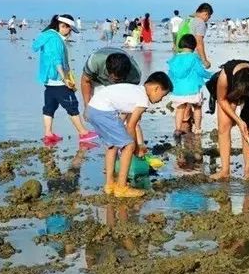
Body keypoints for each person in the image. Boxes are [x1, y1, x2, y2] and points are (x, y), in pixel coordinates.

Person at [86, 71, 171, 198]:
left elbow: (123, 121)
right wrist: (136, 148)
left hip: (92, 109)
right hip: (104, 111)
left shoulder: (136, 91)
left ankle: (109, 184)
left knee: (112, 145)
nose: (160, 100)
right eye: (162, 96)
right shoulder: (143, 99)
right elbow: (131, 125)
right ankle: (121, 187)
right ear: (156, 89)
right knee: (129, 146)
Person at [32, 14, 99, 145]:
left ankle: (48, 134)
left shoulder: (46, 36)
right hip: (58, 80)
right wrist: (65, 79)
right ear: (62, 26)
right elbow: (57, 60)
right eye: (69, 30)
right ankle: (83, 133)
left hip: (48, 80)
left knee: (49, 107)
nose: (70, 33)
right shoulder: (55, 39)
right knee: (72, 105)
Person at [206, 59, 249, 181]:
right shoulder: (225, 76)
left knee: (248, 127)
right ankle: (225, 170)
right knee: (224, 127)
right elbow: (222, 99)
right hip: (230, 91)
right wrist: (238, 121)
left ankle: (248, 171)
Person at [168, 34, 212, 136]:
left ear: (181, 45)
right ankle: (197, 129)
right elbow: (201, 72)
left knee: (180, 109)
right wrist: (211, 75)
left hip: (178, 90)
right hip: (193, 89)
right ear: (194, 46)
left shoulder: (174, 59)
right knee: (197, 107)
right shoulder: (194, 58)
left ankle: (178, 129)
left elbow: (170, 75)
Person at [80, 47, 142, 115]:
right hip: (97, 80)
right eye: (116, 79)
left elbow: (129, 98)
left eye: (121, 79)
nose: (117, 82)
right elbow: (85, 81)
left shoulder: (135, 75)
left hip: (124, 86)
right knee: (98, 110)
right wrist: (87, 107)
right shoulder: (94, 62)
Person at [175, 3, 213, 68]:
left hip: (179, 56)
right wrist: (204, 61)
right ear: (206, 13)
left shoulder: (186, 20)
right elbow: (199, 43)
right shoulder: (200, 22)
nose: (208, 19)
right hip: (192, 58)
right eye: (209, 17)